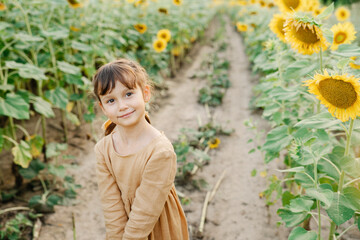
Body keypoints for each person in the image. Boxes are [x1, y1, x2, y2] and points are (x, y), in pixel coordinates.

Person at [92, 58, 189, 240]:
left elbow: (145, 214)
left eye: (128, 94)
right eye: (111, 100)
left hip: (158, 226)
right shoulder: (103, 149)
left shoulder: (161, 152)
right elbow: (112, 208)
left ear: (145, 93)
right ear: (103, 107)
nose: (122, 106)